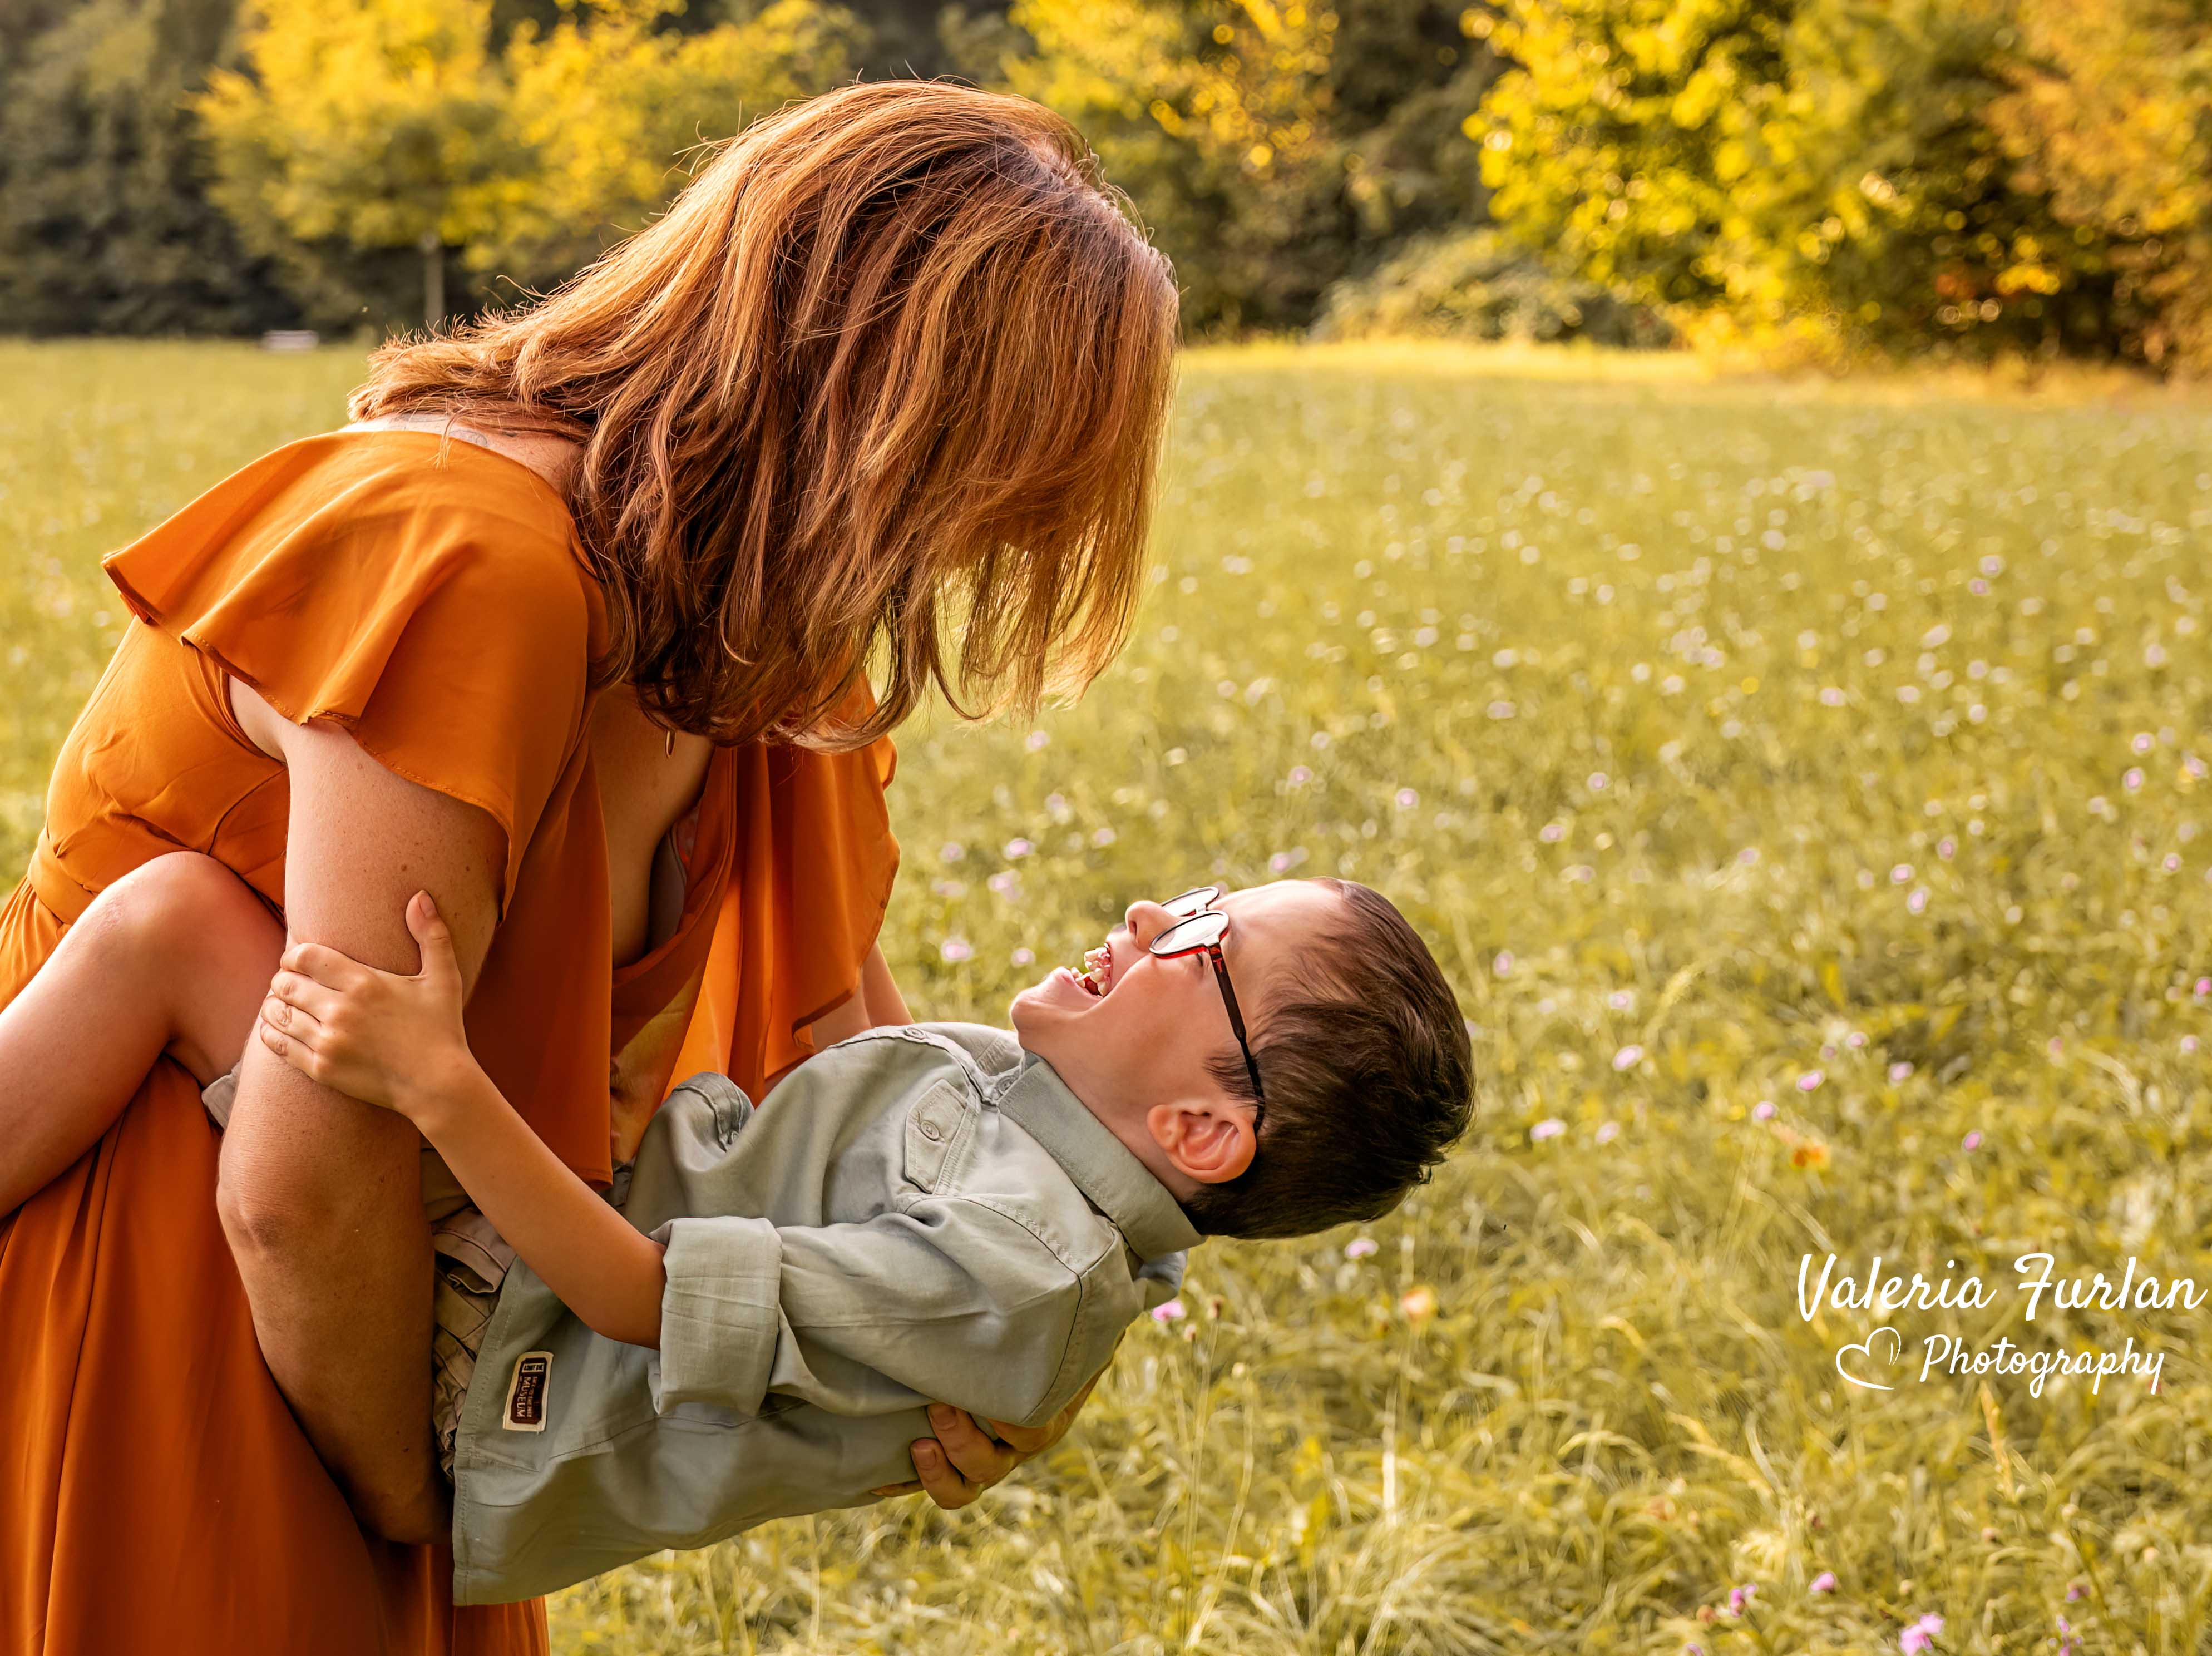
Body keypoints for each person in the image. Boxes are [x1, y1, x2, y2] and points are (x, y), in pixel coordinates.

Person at [0, 81, 1177, 1653]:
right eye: (991, 487)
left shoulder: (765, 648)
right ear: (873, 409)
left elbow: (846, 1081)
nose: (972, 552)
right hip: (159, 1284)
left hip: (406, 1334)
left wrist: (950, 1344)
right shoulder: (467, 556)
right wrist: (422, 1497)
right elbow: (296, 1177)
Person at [0, 860, 1474, 1604]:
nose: (1153, 909)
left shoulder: (1027, 1264)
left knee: (179, 923)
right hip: (534, 1286)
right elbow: (851, 1019)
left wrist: (440, 1086)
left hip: (498, 1358)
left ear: (1205, 1131)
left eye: (1200, 938)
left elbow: (646, 1298)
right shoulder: (1055, 1143)